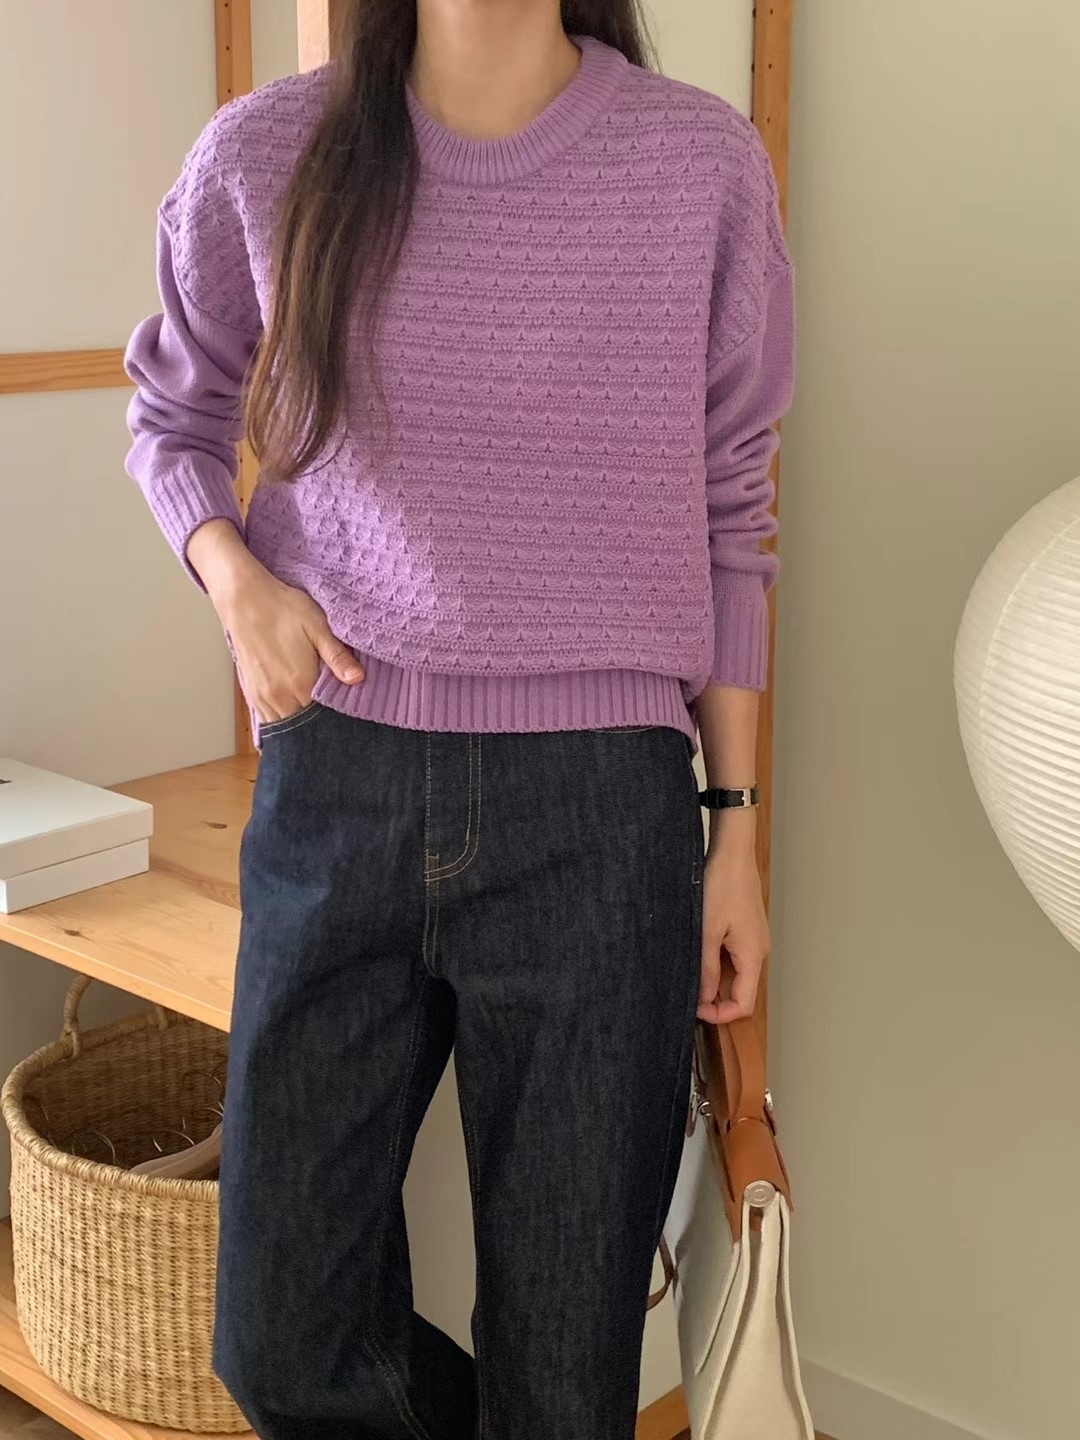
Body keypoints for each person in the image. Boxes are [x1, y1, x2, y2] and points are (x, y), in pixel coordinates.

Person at [123, 1, 795, 1435]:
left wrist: (736, 835)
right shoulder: (267, 151)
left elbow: (735, 506)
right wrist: (236, 583)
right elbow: (173, 417)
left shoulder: (701, 165)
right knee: (281, 1339)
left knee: (567, 1368)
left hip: (603, 817)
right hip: (341, 784)